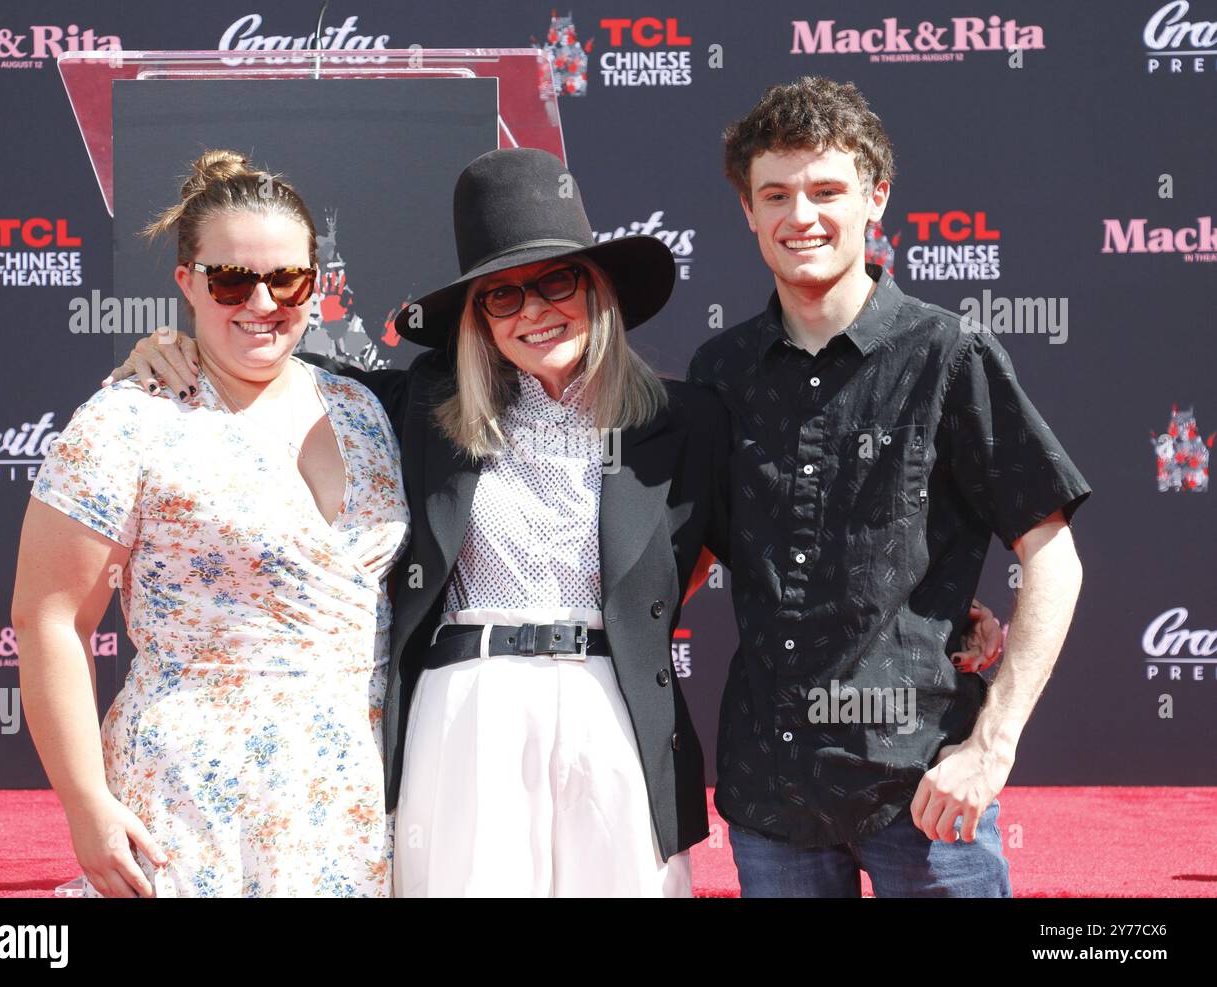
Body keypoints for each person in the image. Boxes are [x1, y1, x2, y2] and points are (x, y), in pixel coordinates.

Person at [109, 148, 1003, 897]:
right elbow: (265, 358)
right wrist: (172, 345)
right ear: (476, 316)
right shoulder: (412, 407)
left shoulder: (685, 419)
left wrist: (936, 614)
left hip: (615, 709)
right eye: (504, 296)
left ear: (597, 288)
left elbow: (784, 548)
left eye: (556, 283)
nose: (535, 311)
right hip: (465, 709)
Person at [687, 77, 1090, 897]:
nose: (802, 216)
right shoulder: (720, 373)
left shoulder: (948, 355)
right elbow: (693, 558)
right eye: (777, 194)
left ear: (876, 198)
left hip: (923, 795)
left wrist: (992, 745)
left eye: (827, 190)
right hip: (773, 797)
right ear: (748, 210)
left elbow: (1054, 556)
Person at [13, 150, 409, 897]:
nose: (261, 301)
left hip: (351, 796)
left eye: (286, 279)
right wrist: (86, 802)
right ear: (187, 283)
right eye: (231, 279)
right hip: (192, 796)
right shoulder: (127, 421)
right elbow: (48, 620)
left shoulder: (367, 410)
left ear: (316, 284)